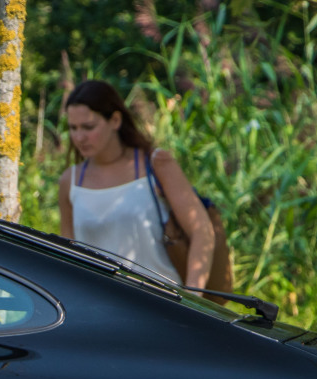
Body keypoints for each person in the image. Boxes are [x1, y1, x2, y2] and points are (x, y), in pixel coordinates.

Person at [58, 79, 214, 291]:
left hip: (161, 308)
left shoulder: (155, 164)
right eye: (73, 128)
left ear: (115, 120)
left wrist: (193, 296)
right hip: (98, 312)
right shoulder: (71, 181)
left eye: (88, 127)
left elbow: (202, 230)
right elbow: (68, 258)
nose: (79, 137)